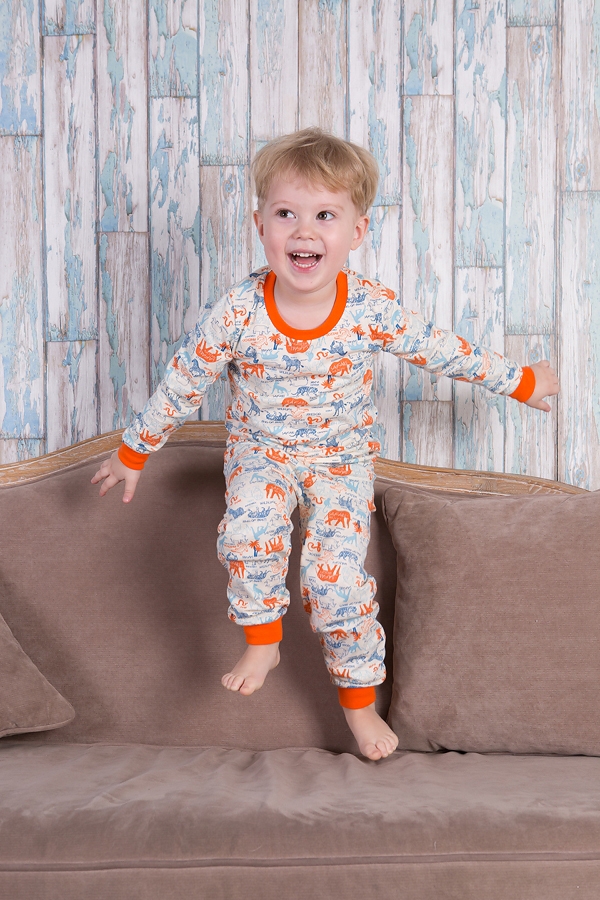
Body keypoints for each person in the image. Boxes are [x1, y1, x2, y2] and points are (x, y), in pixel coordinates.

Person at [92, 127, 559, 761]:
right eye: (286, 214)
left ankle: (359, 707)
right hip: (262, 453)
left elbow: (441, 349)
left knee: (336, 583)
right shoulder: (238, 312)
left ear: (357, 231)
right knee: (248, 530)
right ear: (260, 225)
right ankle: (263, 641)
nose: (303, 231)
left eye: (324, 216)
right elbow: (184, 380)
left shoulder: (368, 309)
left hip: (340, 464)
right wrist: (134, 452)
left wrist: (521, 381)